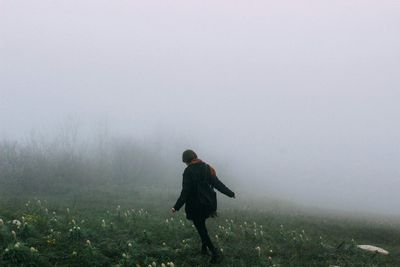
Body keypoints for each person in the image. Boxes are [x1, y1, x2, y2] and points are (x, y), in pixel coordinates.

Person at [172, 149, 235, 264]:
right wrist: (230, 193)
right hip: (208, 204)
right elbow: (217, 183)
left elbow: (186, 191)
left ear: (186, 160)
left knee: (201, 229)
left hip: (195, 206)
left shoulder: (188, 171)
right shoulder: (207, 167)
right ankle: (204, 249)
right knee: (202, 225)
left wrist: (176, 207)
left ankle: (214, 252)